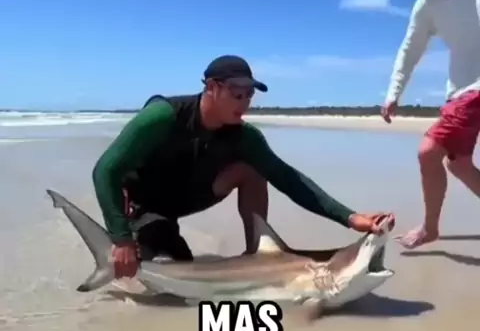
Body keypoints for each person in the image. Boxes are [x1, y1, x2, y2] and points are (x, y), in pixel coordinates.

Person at [93, 54, 395, 279]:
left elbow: (286, 177)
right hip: (145, 203)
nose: (245, 102)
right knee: (160, 267)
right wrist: (120, 238)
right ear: (212, 87)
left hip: (187, 196)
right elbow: (105, 171)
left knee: (252, 169)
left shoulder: (244, 135)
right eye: (237, 94)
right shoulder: (163, 115)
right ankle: (138, 237)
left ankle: (258, 254)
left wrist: (350, 218)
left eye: (250, 95)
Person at [381, 0, 480, 249]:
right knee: (458, 163)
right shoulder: (428, 3)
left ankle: (430, 228)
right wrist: (394, 92)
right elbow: (410, 49)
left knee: (428, 152)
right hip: (463, 88)